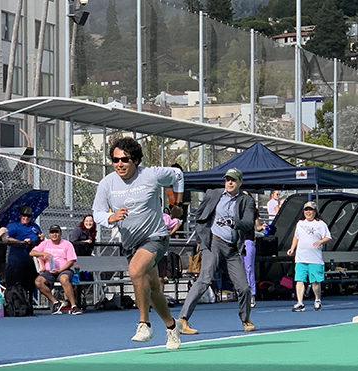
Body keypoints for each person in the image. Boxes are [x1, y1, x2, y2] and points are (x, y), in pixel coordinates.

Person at [92, 136, 185, 350]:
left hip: (156, 237)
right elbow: (96, 212)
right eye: (115, 160)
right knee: (153, 291)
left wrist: (177, 204)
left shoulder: (150, 175)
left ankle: (144, 324)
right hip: (131, 243)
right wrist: (110, 218)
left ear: (135, 160)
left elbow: (178, 174)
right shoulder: (107, 183)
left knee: (135, 271)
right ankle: (172, 327)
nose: (119, 164)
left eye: (124, 160)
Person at [177, 168, 256, 334]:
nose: (230, 182)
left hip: (233, 248)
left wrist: (234, 223)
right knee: (204, 280)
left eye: (233, 180)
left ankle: (245, 318)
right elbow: (200, 215)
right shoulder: (214, 194)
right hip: (213, 243)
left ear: (240, 182)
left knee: (244, 287)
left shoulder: (246, 200)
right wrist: (201, 239)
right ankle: (183, 320)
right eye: (227, 179)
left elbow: (248, 222)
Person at [286, 201, 332, 312]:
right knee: (299, 280)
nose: (308, 212)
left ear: (315, 211)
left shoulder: (320, 224)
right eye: (306, 210)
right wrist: (292, 248)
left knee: (315, 281)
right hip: (301, 257)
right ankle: (300, 302)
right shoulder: (300, 224)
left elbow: (328, 237)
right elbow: (296, 237)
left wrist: (320, 242)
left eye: (310, 210)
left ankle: (317, 300)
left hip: (315, 259)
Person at [30, 225, 83, 315]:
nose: (54, 234)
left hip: (64, 270)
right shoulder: (45, 243)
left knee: (64, 279)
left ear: (60, 233)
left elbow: (71, 261)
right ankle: (56, 302)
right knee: (38, 282)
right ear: (49, 234)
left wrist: (60, 270)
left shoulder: (67, 244)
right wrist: (43, 253)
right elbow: (32, 252)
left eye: (56, 232)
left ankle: (74, 306)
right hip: (49, 271)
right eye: (52, 232)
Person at [5, 206, 44, 295]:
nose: (26, 218)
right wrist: (21, 242)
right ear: (20, 215)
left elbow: (39, 237)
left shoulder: (34, 226)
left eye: (28, 216)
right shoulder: (14, 226)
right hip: (16, 261)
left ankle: (28, 304)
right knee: (14, 286)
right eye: (24, 215)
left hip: (31, 262)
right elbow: (6, 238)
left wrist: (41, 238)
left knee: (30, 286)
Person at [242, 193, 266, 308]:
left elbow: (257, 227)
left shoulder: (254, 212)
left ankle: (251, 294)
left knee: (249, 268)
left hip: (248, 240)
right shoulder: (235, 209)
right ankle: (241, 294)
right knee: (238, 269)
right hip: (237, 242)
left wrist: (263, 227)